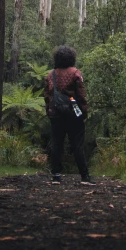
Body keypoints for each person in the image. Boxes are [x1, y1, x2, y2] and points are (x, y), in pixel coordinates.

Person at [43, 46, 95, 185]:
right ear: (72, 58)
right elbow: (81, 95)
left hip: (56, 114)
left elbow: (47, 95)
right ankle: (84, 177)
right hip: (74, 113)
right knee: (77, 145)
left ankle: (56, 176)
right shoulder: (76, 73)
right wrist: (83, 112)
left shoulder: (51, 75)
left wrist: (49, 110)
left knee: (56, 144)